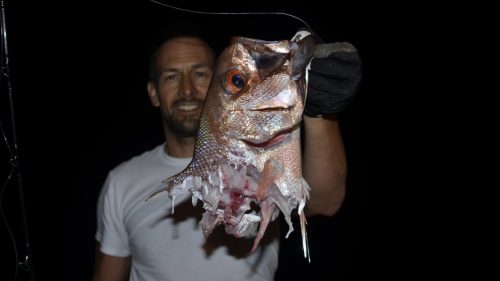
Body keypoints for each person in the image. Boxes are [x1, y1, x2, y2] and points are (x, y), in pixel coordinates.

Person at [92, 22, 361, 281]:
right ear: (153, 92)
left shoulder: (262, 156)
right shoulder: (121, 181)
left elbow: (326, 202)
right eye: (172, 76)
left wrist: (320, 109)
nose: (187, 90)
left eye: (199, 74)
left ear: (215, 81)